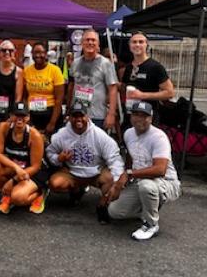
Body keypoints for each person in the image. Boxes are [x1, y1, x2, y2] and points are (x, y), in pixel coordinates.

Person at [108, 101, 181, 240]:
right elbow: (130, 159)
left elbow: (160, 170)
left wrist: (129, 174)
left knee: (147, 187)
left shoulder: (159, 137)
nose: (139, 119)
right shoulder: (128, 133)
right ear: (130, 117)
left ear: (151, 118)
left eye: (144, 116)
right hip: (141, 179)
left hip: (166, 182)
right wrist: (121, 183)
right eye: (136, 115)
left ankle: (151, 223)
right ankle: (147, 208)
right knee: (114, 211)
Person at [47, 102, 126, 224]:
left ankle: (103, 205)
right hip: (73, 172)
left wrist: (116, 183)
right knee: (55, 183)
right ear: (69, 118)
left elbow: (115, 159)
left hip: (96, 172)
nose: (79, 119)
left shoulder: (99, 135)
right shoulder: (61, 135)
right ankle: (77, 191)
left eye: (82, 116)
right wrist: (59, 159)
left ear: (87, 117)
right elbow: (50, 152)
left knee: (110, 178)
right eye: (75, 116)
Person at [0, 102, 48, 214]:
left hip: (32, 172)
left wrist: (13, 180)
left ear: (28, 117)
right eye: (16, 115)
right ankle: (7, 196)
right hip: (18, 168)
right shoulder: (3, 127)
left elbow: (36, 167)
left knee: (17, 198)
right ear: (10, 116)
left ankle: (40, 193)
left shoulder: (34, 135)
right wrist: (16, 168)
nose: (19, 119)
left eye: (23, 116)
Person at [67, 29, 118, 130]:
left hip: (97, 116)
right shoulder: (75, 63)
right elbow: (71, 86)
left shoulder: (106, 64)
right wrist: (69, 109)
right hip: (77, 114)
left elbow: (113, 88)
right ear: (82, 43)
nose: (90, 42)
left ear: (98, 44)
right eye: (87, 40)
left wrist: (111, 114)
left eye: (93, 40)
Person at [122, 31, 174, 125]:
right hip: (130, 116)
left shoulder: (155, 67)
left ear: (146, 45)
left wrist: (142, 95)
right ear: (129, 45)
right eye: (134, 42)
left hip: (147, 118)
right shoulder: (129, 67)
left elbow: (169, 93)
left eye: (141, 42)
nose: (137, 45)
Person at [23, 41, 65, 135]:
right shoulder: (27, 71)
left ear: (46, 54)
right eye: (35, 53)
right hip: (33, 114)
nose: (38, 55)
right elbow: (25, 97)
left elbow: (59, 100)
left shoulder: (55, 70)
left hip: (50, 113)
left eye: (41, 52)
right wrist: (27, 116)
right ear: (32, 54)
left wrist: (52, 123)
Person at [0, 40, 23, 134]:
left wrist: (14, 114)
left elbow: (18, 96)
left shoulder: (18, 71)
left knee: (7, 135)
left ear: (14, 53)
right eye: (4, 50)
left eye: (10, 50)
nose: (7, 53)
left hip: (9, 111)